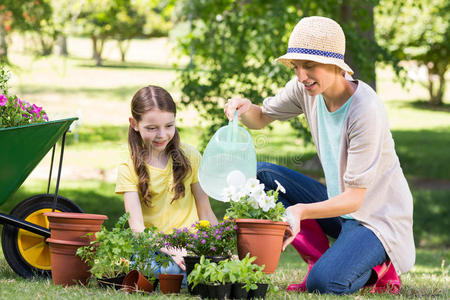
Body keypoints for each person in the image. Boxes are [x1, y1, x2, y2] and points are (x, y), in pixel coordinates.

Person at [224, 16, 414, 295]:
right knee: (260, 175)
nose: (301, 76)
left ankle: (381, 268)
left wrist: (299, 210)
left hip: (376, 219)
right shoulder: (307, 89)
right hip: (342, 209)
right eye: (296, 67)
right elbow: (261, 118)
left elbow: (355, 198)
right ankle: (319, 260)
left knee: (326, 284)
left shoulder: (365, 111)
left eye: (309, 66)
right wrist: (243, 108)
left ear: (336, 65)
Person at [115, 85, 218, 279]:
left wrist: (223, 250)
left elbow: (205, 210)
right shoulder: (128, 167)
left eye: (169, 126)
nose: (162, 135)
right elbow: (137, 228)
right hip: (154, 247)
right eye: (152, 128)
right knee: (164, 270)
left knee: (199, 267)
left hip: (190, 245)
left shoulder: (191, 157)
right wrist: (172, 250)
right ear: (134, 124)